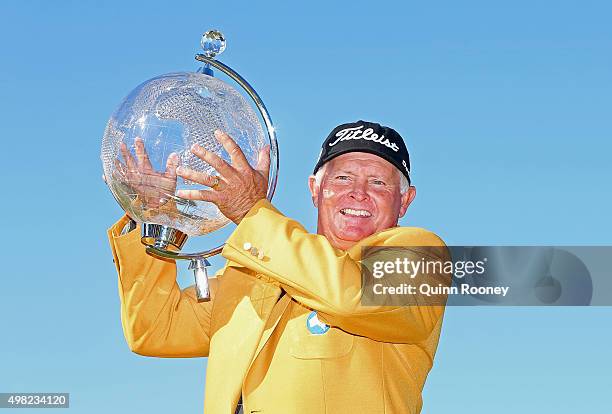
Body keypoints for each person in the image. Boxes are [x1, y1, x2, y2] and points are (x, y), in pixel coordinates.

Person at [107, 120, 449, 414]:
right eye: (343, 178)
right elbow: (156, 330)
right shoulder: (251, 273)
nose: (358, 193)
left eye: (378, 183)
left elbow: (349, 295)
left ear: (404, 200)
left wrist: (250, 212)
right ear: (315, 190)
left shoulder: (423, 254)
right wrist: (154, 216)